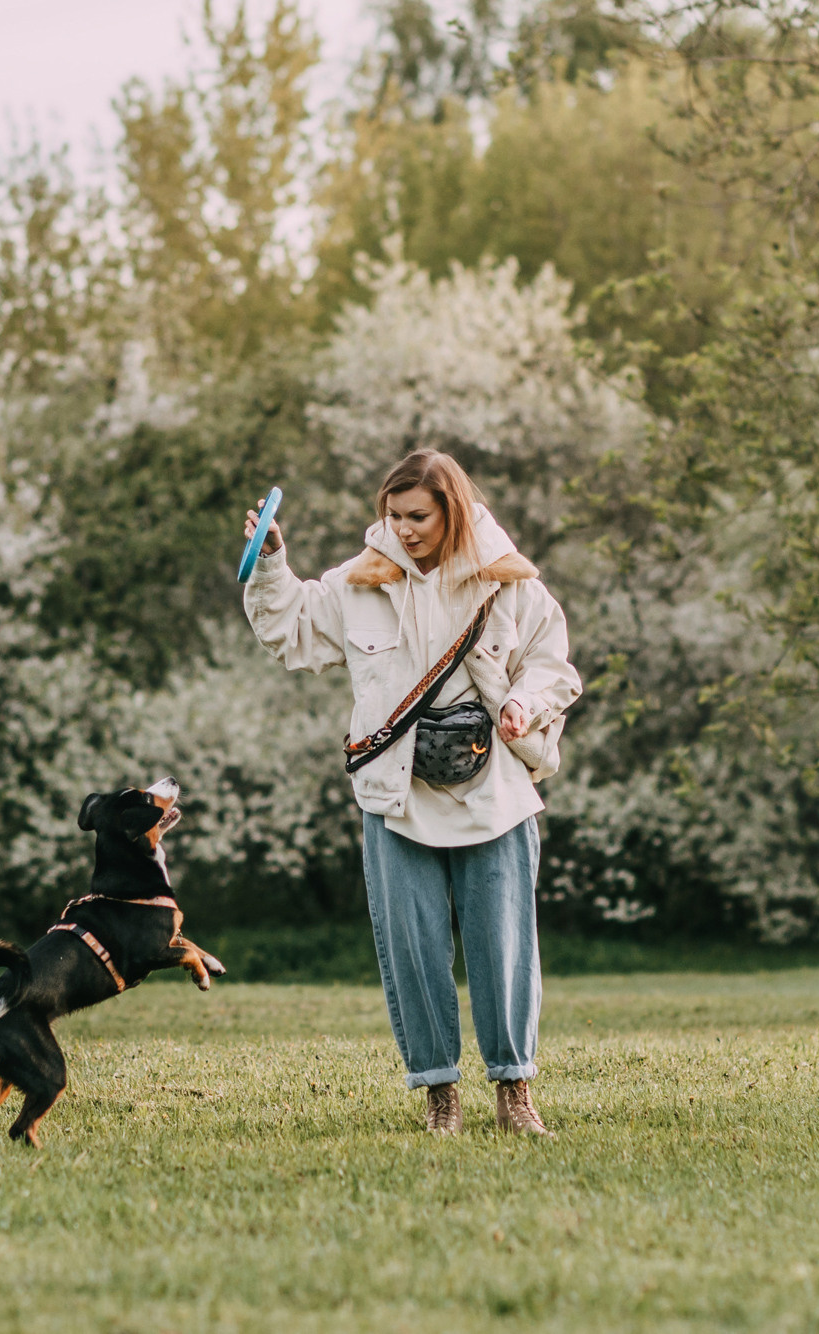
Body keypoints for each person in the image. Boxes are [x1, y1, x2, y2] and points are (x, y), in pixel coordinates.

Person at [242, 450, 581, 1135]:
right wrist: (272, 560)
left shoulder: (507, 582)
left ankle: (515, 1095)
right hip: (396, 794)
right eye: (392, 516)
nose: (404, 529)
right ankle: (439, 1096)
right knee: (413, 947)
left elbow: (554, 663)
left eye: (418, 516)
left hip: (495, 789)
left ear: (451, 510)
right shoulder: (358, 582)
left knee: (504, 947)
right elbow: (290, 631)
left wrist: (523, 701)